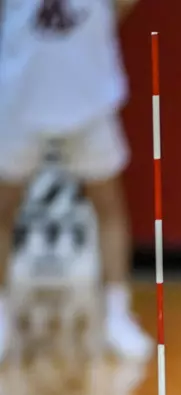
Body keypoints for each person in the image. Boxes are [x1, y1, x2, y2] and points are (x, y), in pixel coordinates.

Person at [0, 0, 153, 364]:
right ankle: (1, 314)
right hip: (21, 102)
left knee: (109, 207)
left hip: (90, 101)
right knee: (3, 210)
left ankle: (117, 313)